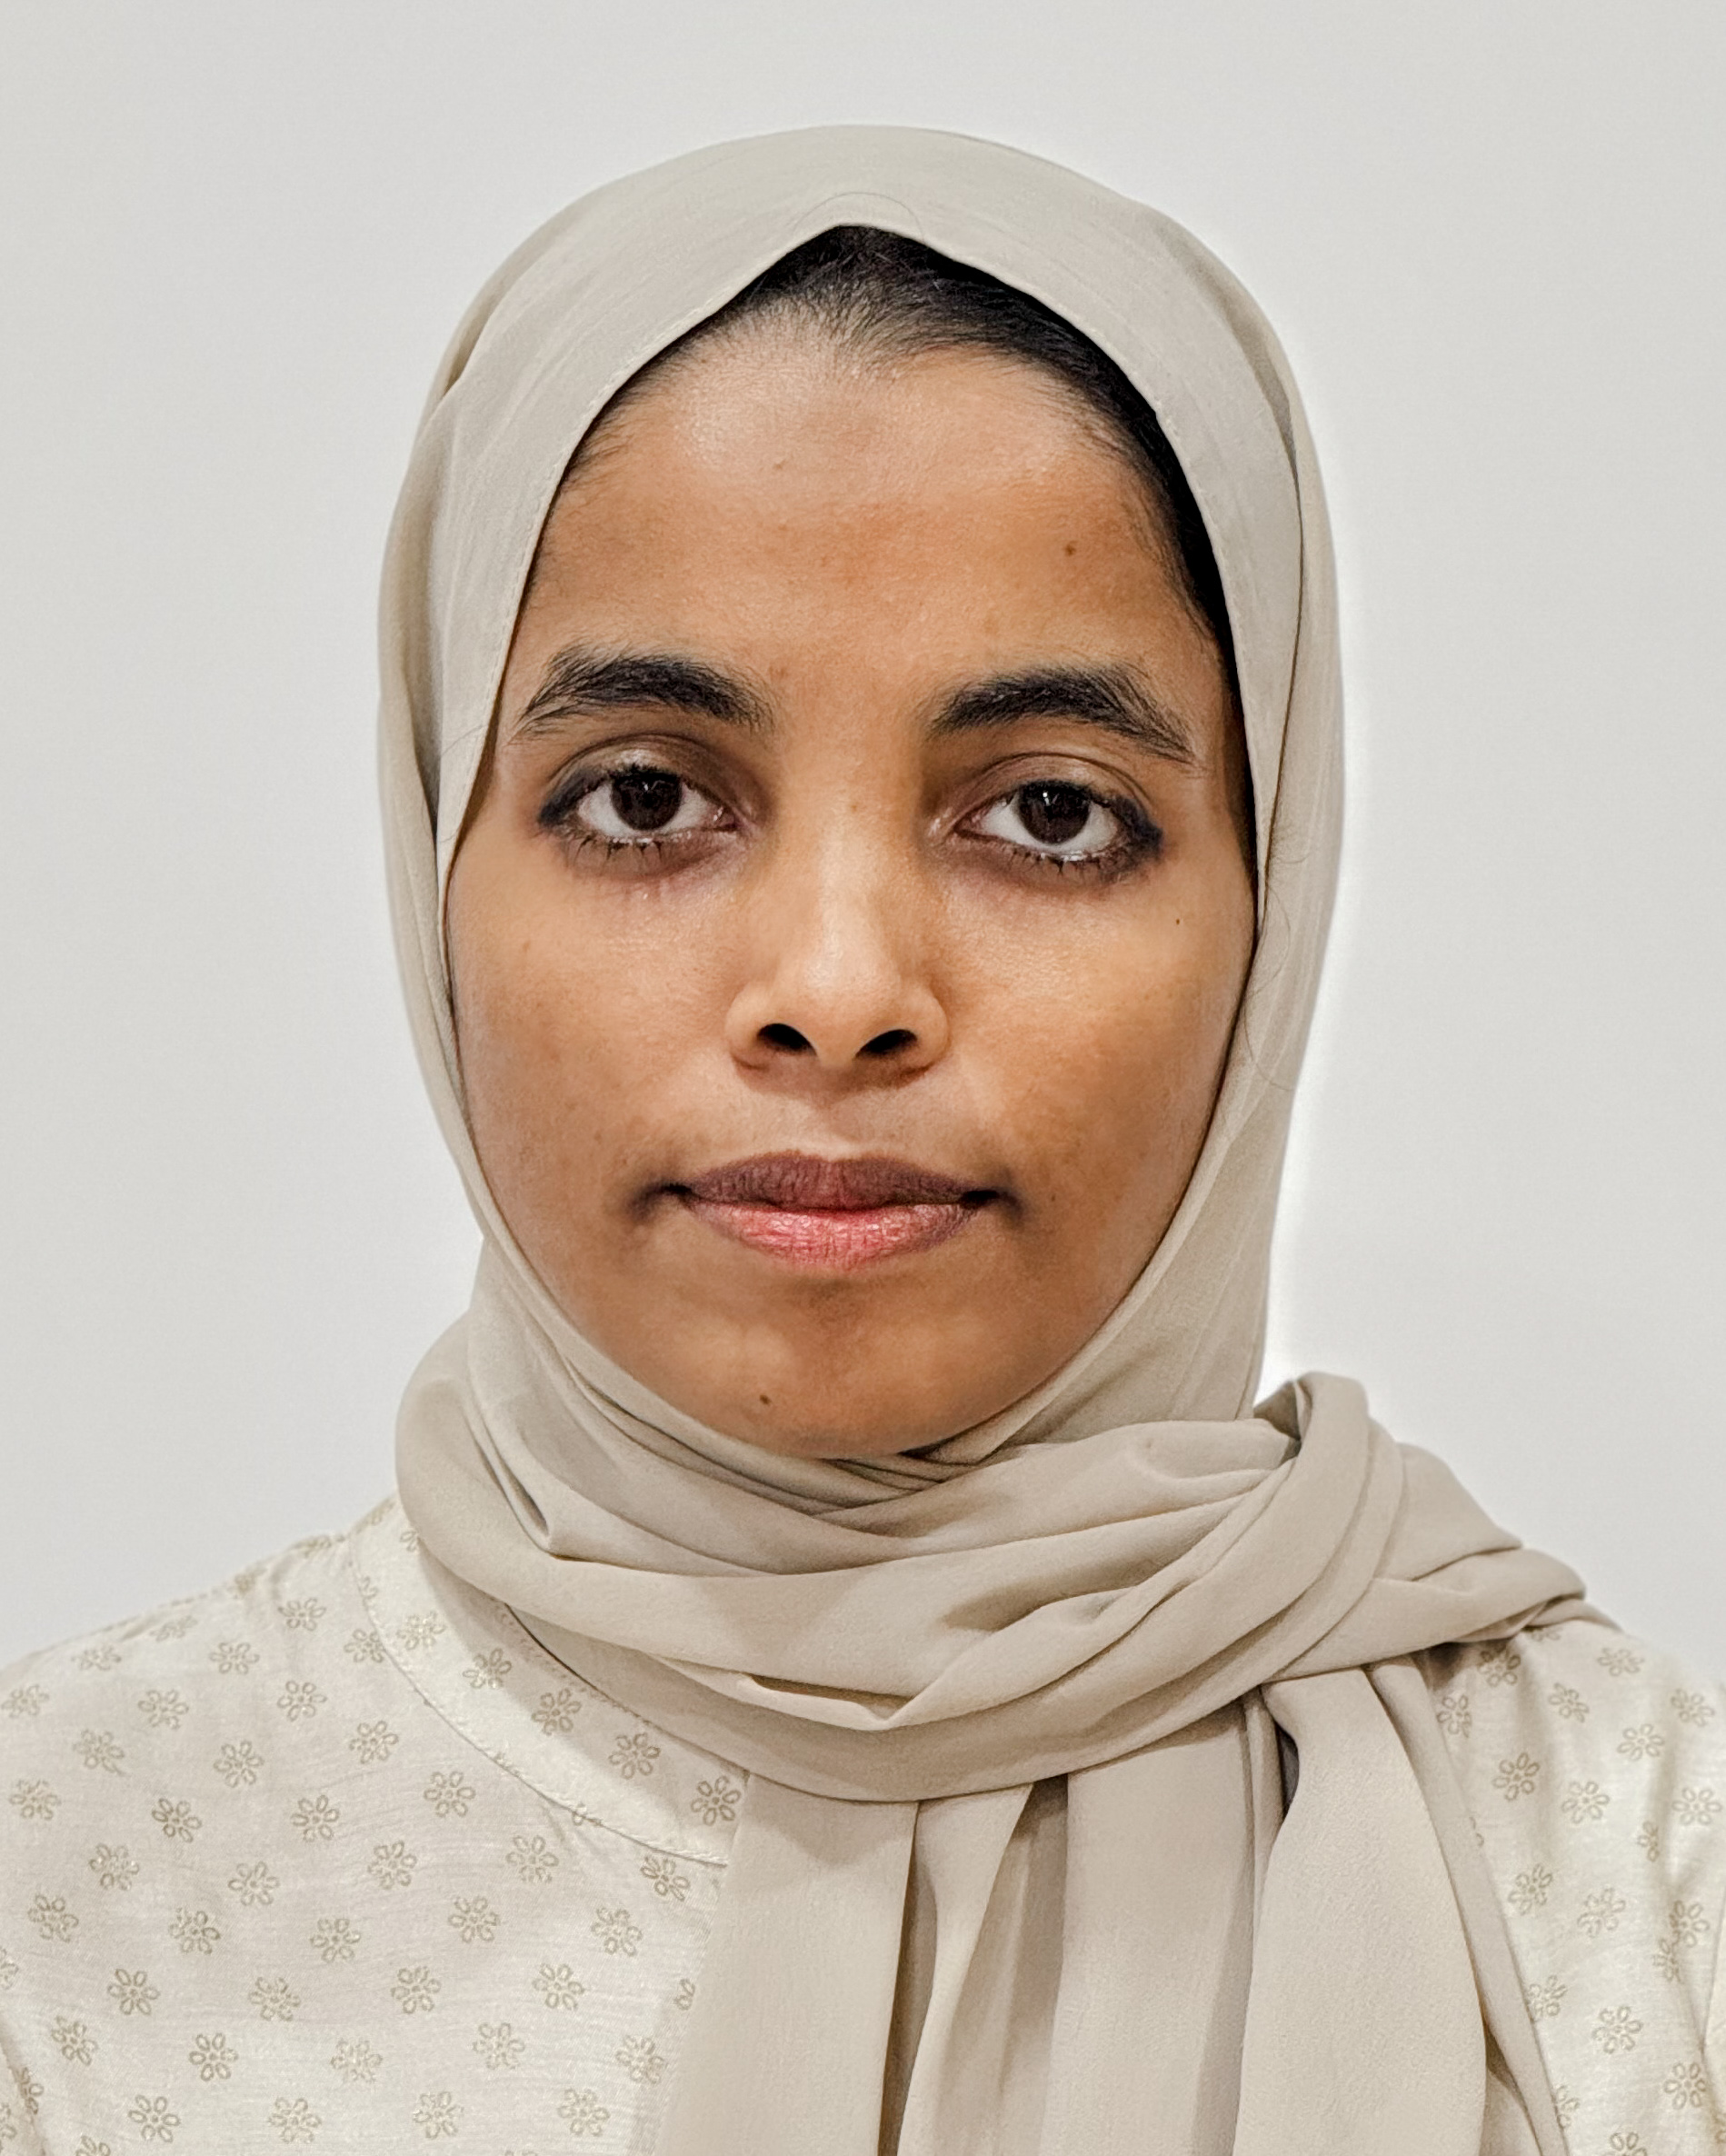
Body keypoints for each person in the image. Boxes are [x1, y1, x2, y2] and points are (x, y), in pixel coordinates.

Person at [1, 125, 1721, 2156]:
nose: (836, 988)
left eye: (1052, 814)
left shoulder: (1647, 1901)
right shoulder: (72, 1894)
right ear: (432, 855)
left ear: (1271, 904)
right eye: (645, 799)